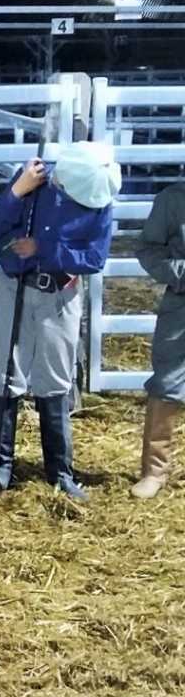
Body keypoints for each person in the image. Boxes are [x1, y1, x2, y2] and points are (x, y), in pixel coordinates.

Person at [0, 143, 117, 503]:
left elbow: (95, 257)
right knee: (6, 373)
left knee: (55, 377)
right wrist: (16, 191)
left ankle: (59, 472)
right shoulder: (33, 178)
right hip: (16, 287)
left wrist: (44, 249)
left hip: (60, 293)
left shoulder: (99, 194)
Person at [134, 179, 185, 498]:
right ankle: (154, 470)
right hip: (182, 304)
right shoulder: (173, 199)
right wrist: (180, 273)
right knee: (167, 380)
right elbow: (148, 248)